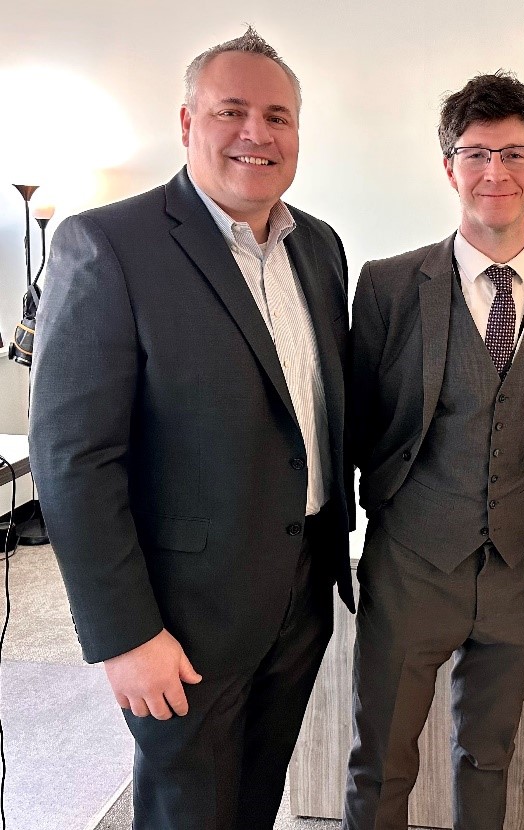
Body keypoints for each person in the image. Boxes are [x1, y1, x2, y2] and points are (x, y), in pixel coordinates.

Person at [29, 27, 354, 829]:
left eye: (278, 116)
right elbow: (73, 458)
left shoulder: (319, 247)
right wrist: (125, 635)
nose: (257, 133)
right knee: (186, 810)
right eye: (231, 111)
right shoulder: (108, 244)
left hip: (301, 592)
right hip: (180, 615)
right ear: (186, 123)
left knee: (253, 801)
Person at [343, 72, 524, 830]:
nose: (496, 171)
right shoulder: (387, 286)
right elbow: (355, 424)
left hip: (519, 566)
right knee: (381, 759)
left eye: (516, 152)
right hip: (412, 561)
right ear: (449, 165)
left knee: (490, 754)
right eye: (476, 152)